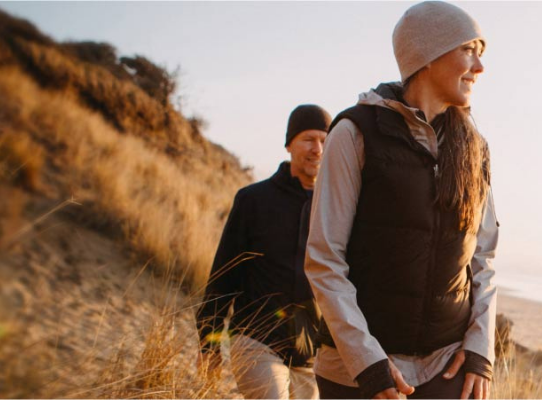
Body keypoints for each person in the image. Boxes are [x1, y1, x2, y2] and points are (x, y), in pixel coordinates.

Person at [304, 2, 499, 399]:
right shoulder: (355, 132)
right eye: (469, 50)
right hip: (358, 371)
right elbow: (324, 259)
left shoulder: (474, 147)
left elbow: (483, 257)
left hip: (447, 366)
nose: (480, 67)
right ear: (427, 54)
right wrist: (368, 363)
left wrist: (481, 346)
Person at [196, 104, 332, 399]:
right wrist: (209, 342)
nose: (317, 149)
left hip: (312, 355)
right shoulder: (253, 200)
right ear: (289, 144)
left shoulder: (336, 210)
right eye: (309, 139)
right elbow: (224, 276)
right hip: (256, 340)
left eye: (325, 140)